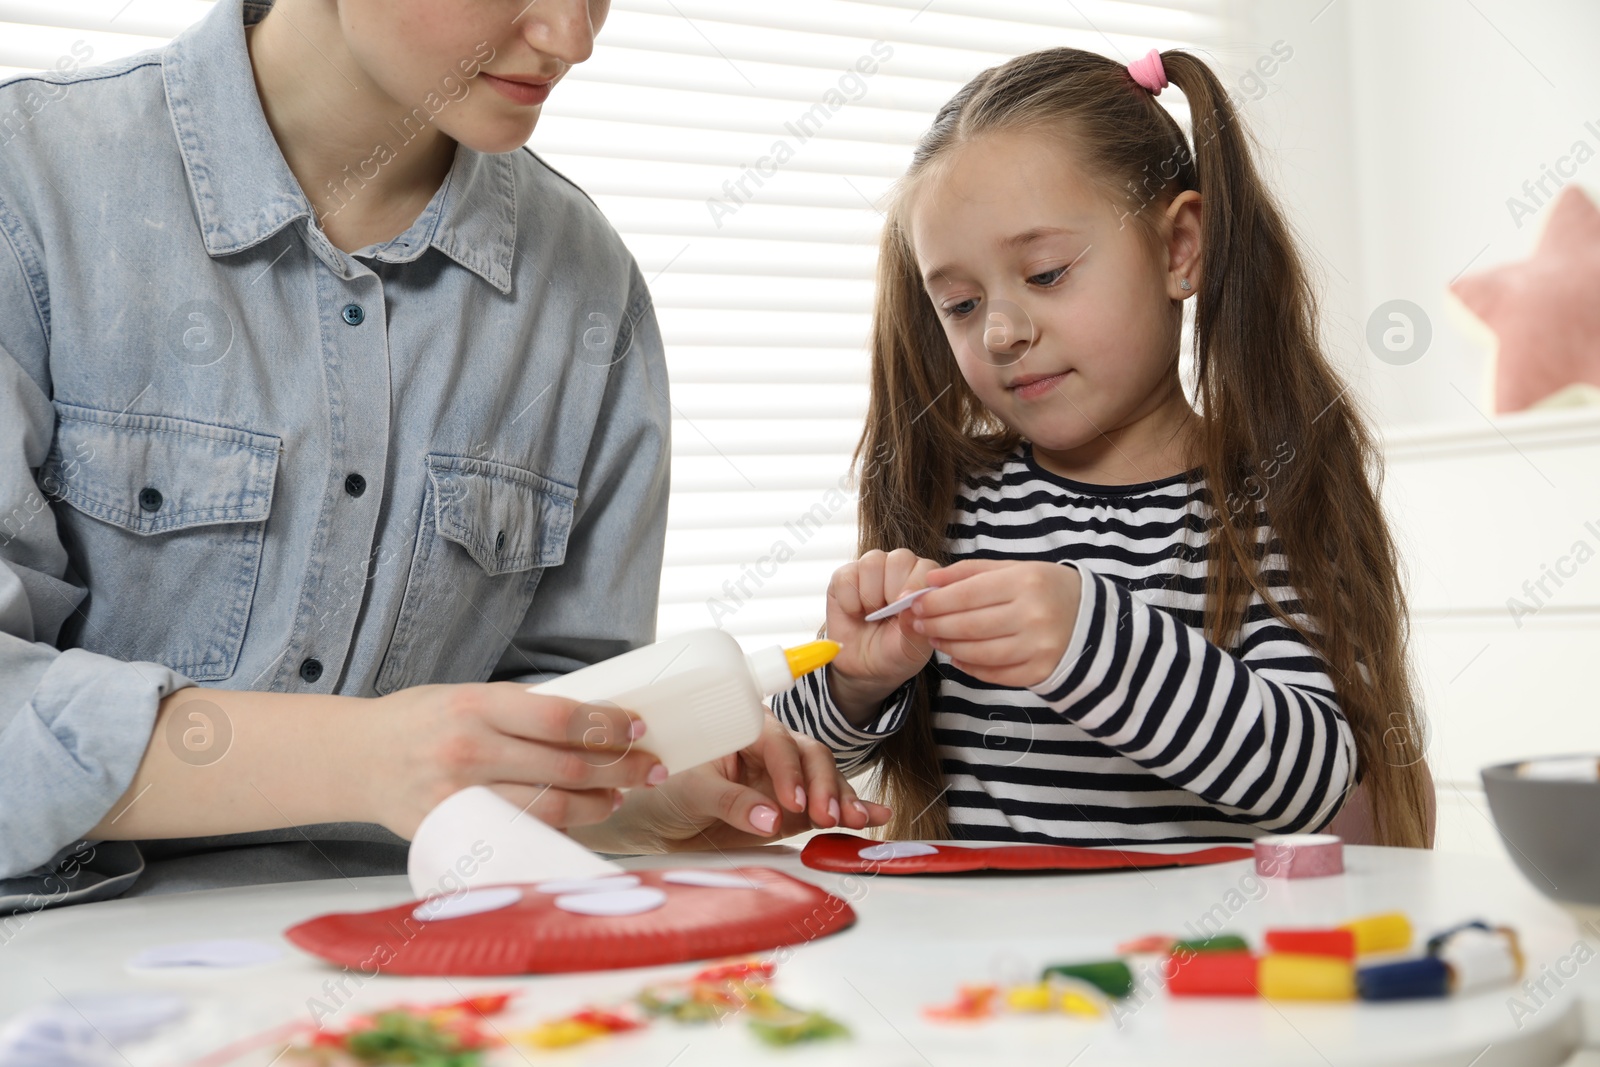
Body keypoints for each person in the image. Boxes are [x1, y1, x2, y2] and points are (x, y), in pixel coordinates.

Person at [0, 0, 886, 912]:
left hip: (441, 994)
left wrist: (635, 792)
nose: (572, 39)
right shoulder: (29, 182)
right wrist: (364, 757)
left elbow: (537, 737)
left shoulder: (589, 288)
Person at [771, 47, 1433, 849]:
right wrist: (852, 676)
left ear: (1180, 247)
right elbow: (797, 745)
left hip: (1196, 965)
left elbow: (1312, 778)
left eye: (1046, 273)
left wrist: (1091, 639)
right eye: (961, 302)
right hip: (979, 971)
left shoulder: (1262, 499)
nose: (1004, 331)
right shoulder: (954, 500)